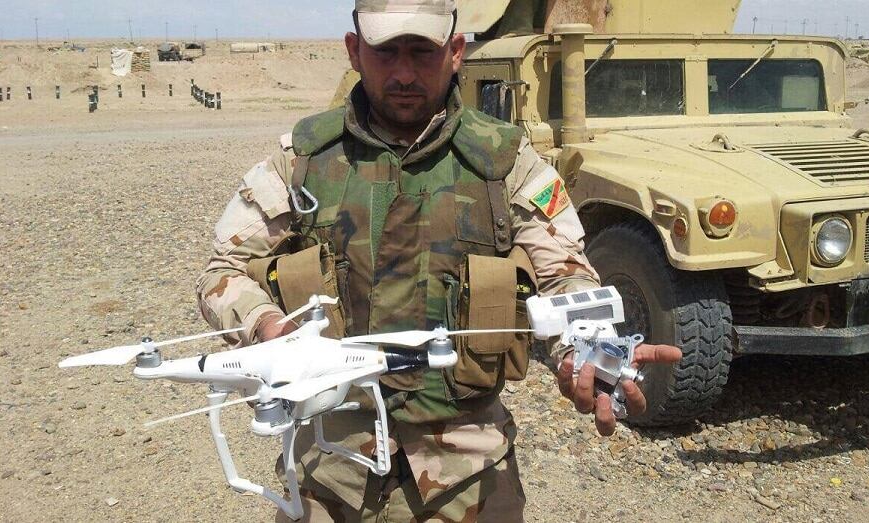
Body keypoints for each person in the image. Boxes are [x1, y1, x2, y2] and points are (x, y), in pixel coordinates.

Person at [196, 1, 681, 520]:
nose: (404, 73)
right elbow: (222, 271)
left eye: (422, 52)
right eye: (387, 52)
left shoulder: (504, 161)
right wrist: (267, 325)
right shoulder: (303, 161)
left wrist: (588, 348)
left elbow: (564, 272)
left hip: (467, 475)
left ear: (455, 52)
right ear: (355, 51)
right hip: (329, 470)